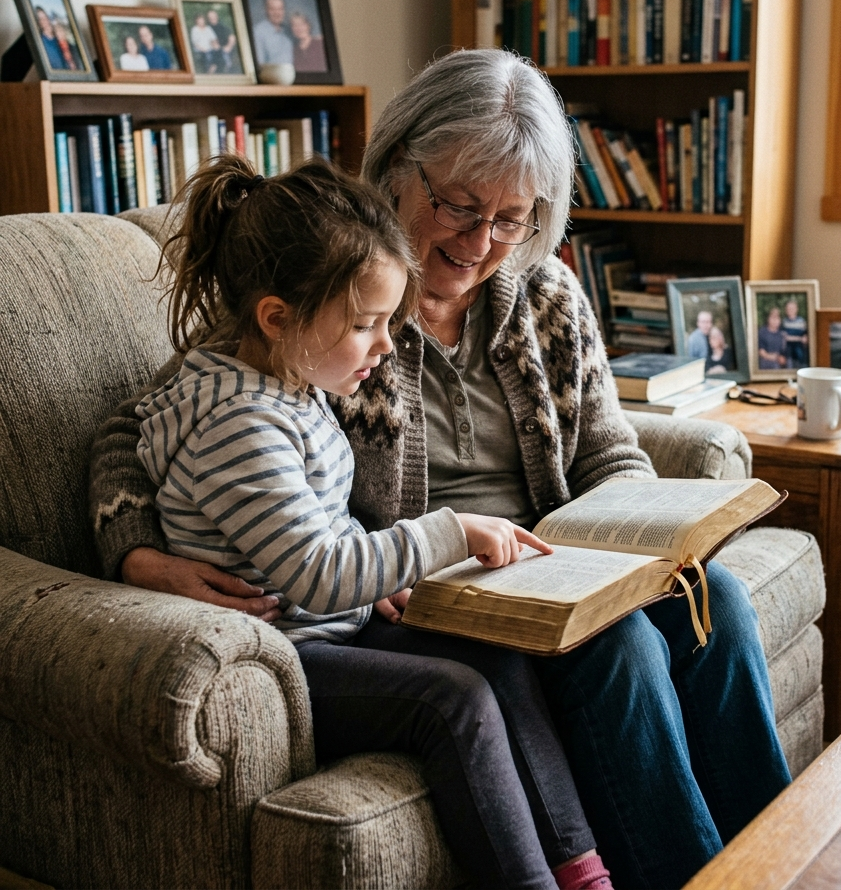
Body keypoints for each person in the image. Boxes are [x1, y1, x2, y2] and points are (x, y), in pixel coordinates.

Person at [89, 49, 790, 889]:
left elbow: (608, 453)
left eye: (511, 219)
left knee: (720, 597)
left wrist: (630, 538)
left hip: (544, 561)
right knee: (623, 649)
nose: (480, 240)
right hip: (418, 591)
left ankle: (781, 860)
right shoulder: (335, 298)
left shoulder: (548, 297)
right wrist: (136, 553)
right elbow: (137, 426)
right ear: (396, 168)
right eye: (459, 205)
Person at [134, 155, 614, 890]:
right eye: (365, 324)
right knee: (452, 700)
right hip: (290, 655)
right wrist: (446, 533)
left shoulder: (291, 382)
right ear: (276, 318)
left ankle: (581, 870)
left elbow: (319, 523)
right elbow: (317, 573)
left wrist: (380, 567)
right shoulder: (239, 423)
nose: (388, 344)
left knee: (498, 653)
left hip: (331, 627)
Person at [253, 0, 294, 66]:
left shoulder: (289, 30)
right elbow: (259, 65)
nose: (277, 13)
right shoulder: (258, 33)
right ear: (265, 10)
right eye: (272, 9)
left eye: (280, 9)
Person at [206, 8, 239, 73]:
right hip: (213, 50)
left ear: (217, 16)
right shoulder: (207, 28)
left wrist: (228, 47)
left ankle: (214, 68)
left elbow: (232, 38)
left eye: (213, 16)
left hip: (225, 50)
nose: (212, 18)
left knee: (221, 54)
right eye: (210, 17)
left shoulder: (223, 27)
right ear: (208, 19)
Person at [781, 298, 808, 368]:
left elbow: (805, 337)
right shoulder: (784, 322)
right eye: (788, 308)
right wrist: (799, 339)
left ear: (796, 309)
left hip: (800, 350)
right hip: (788, 350)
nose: (790, 310)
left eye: (792, 308)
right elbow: (784, 337)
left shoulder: (802, 321)